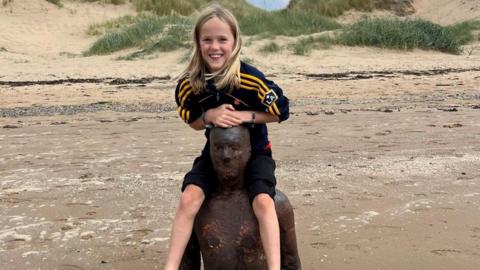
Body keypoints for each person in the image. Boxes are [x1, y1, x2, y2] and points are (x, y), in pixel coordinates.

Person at [165, 3, 289, 270]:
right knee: (189, 198)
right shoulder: (191, 83)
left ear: (235, 42)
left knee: (264, 202)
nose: (215, 47)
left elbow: (281, 111)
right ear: (198, 43)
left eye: (222, 39)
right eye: (207, 40)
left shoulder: (251, 79)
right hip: (216, 155)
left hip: (255, 153)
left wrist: (247, 117)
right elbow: (191, 119)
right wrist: (208, 116)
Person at [179, 126, 301, 270]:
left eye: (234, 148)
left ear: (249, 151)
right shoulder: (197, 207)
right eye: (217, 148)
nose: (226, 156)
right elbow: (187, 264)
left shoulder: (277, 206)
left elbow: (291, 264)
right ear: (209, 152)